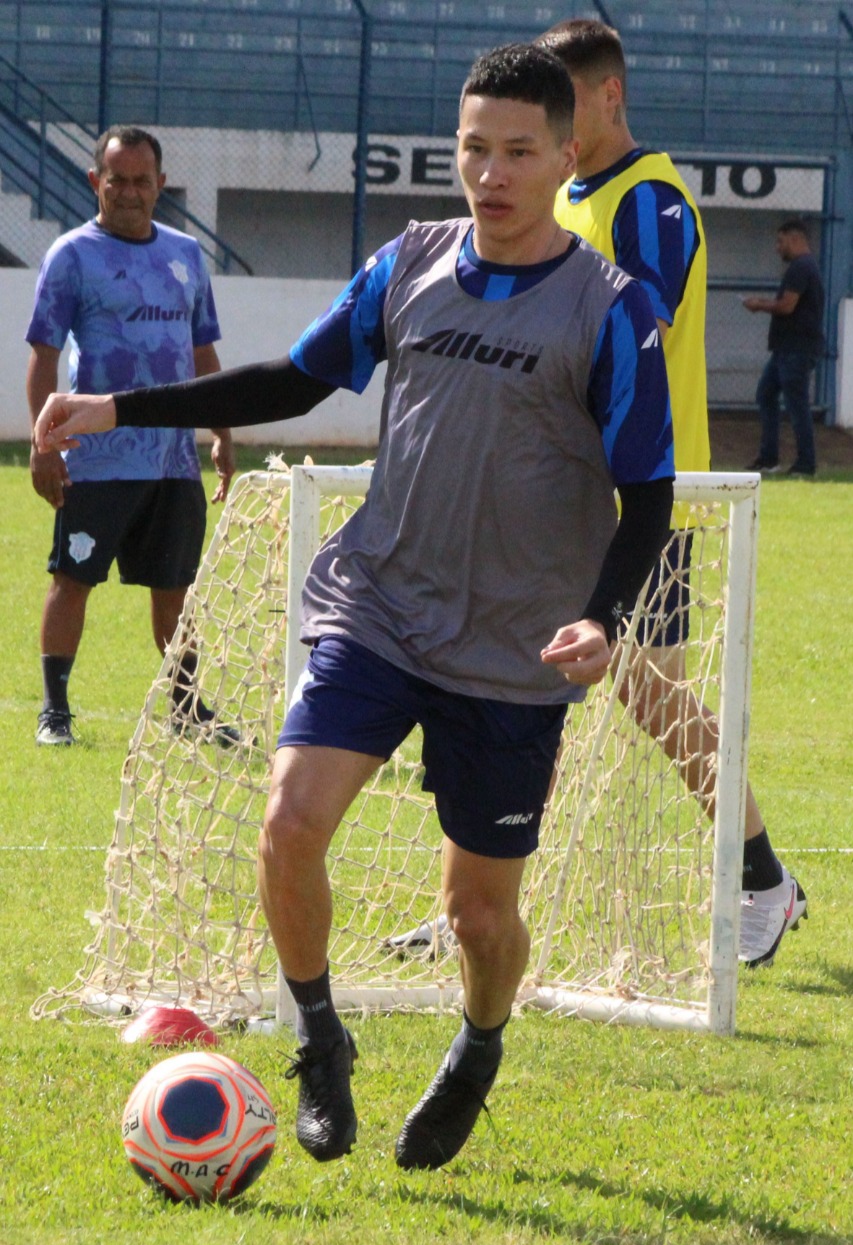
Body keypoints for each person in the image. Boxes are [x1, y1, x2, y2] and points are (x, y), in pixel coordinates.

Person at [36, 45, 675, 1170]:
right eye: (475, 147)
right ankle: (320, 1039)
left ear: (565, 156)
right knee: (288, 823)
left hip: (514, 648)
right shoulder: (409, 263)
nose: (492, 172)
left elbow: (648, 498)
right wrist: (114, 405)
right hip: (379, 602)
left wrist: (604, 618)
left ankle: (478, 1043)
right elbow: (293, 378)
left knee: (479, 915)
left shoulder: (613, 310)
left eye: (519, 151)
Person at [535, 18, 807, 968]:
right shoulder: (567, 194)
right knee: (515, 680)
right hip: (563, 493)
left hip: (646, 495)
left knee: (651, 699)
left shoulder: (647, 198)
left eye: (564, 103)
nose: (554, 124)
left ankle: (763, 879)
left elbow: (631, 323)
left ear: (609, 95)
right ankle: (477, 896)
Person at [26, 124, 236, 747]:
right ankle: (55, 711)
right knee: (73, 579)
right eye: (116, 178)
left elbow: (203, 352)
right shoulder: (71, 255)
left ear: (160, 186)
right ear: (96, 181)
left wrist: (221, 432)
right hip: (95, 459)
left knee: (176, 589)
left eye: (141, 180)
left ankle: (188, 710)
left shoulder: (186, 254)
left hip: (172, 460)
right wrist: (44, 444)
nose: (128, 191)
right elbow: (43, 354)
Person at [742, 217, 825, 477]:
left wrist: (759, 305)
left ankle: (805, 463)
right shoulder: (804, 267)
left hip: (796, 350)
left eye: (780, 241)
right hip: (786, 350)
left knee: (796, 404)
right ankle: (769, 458)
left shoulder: (801, 267)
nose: (778, 247)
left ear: (795, 238)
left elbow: (788, 305)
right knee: (766, 395)